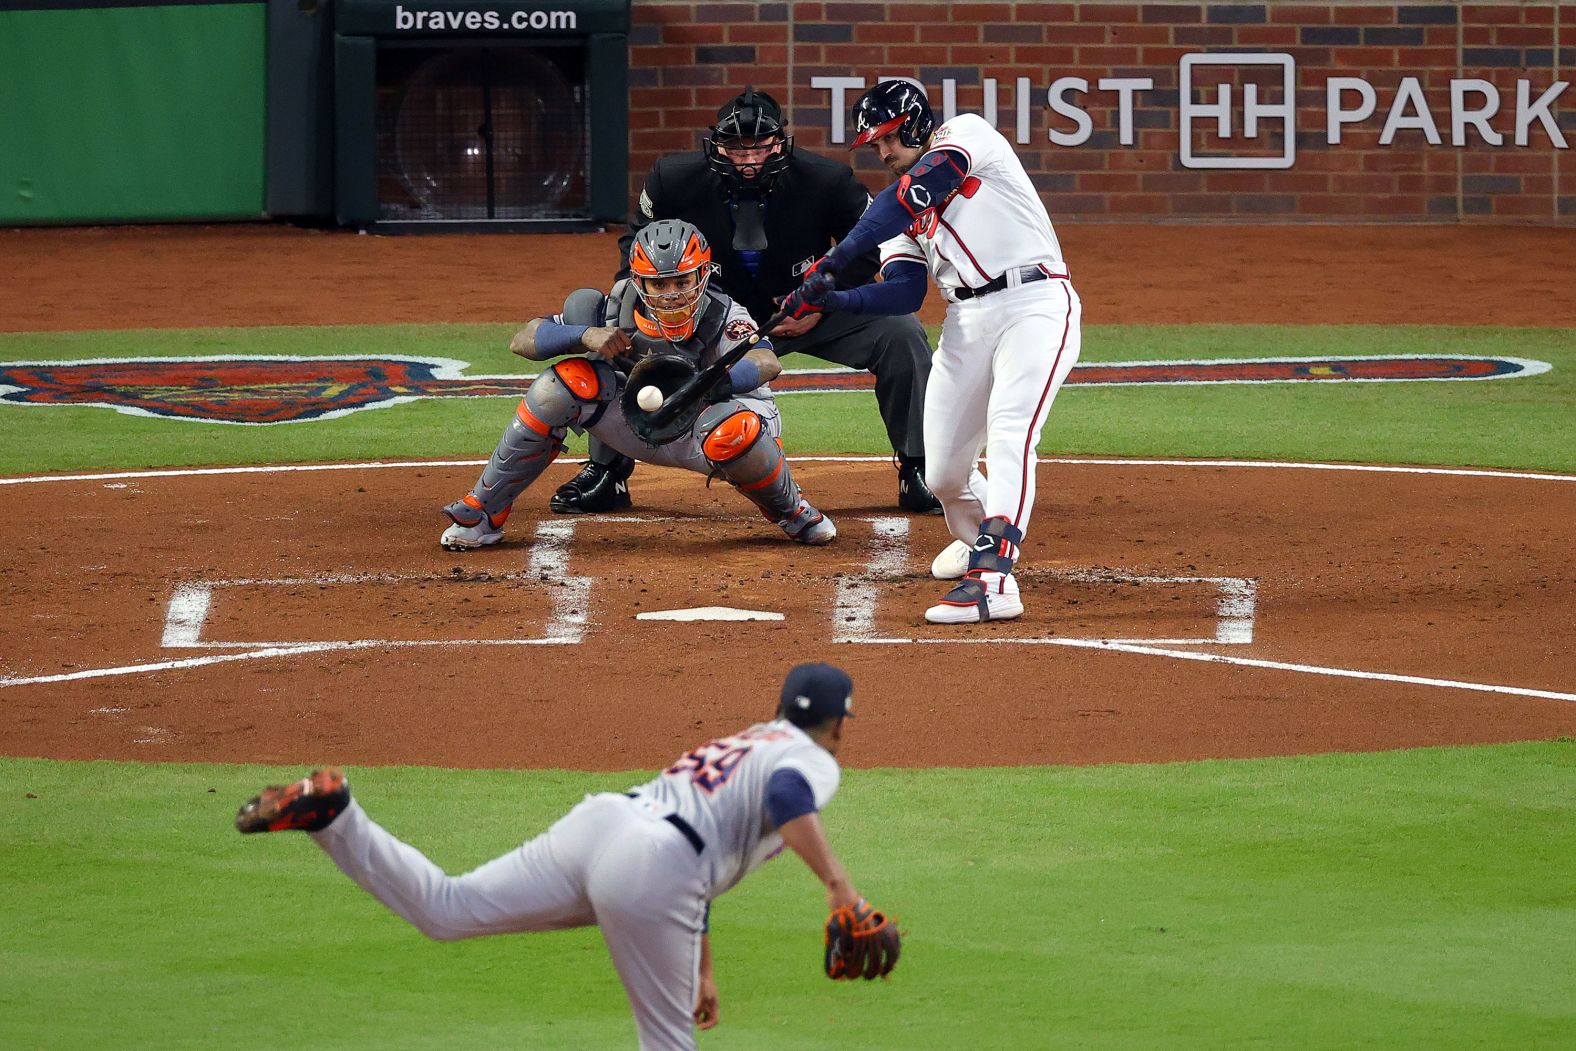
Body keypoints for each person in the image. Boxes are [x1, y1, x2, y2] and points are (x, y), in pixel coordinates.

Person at [236, 662, 890, 1051]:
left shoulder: (749, 739)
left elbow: (705, 850)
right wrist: (839, 886)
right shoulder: (805, 757)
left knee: (447, 907)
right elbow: (783, 798)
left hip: (608, 823)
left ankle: (336, 815)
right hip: (656, 866)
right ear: (837, 723)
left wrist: (701, 968)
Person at [552, 86, 942, 518]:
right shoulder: (672, 178)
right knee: (623, 330)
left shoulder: (828, 180)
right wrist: (648, 308)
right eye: (737, 148)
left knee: (900, 331)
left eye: (760, 145)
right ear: (717, 145)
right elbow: (634, 248)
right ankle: (607, 472)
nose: (750, 158)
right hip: (706, 316)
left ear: (781, 141)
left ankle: (919, 465)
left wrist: (821, 305)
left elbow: (869, 251)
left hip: (801, 309)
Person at [782, 80, 1083, 625]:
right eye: (874, 145)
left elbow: (916, 193)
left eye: (888, 139)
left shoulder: (966, 136)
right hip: (967, 320)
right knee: (943, 474)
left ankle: (994, 581)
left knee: (1012, 430)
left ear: (917, 124)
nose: (883, 152)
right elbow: (904, 290)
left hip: (1035, 303)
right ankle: (976, 541)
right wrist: (835, 294)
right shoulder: (893, 209)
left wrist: (834, 260)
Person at [436, 218, 835, 551]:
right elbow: (522, 340)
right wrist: (584, 335)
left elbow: (767, 361)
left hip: (709, 426)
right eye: (659, 285)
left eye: (681, 282)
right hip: (638, 424)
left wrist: (716, 381)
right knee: (559, 385)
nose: (671, 295)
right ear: (639, 281)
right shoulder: (612, 307)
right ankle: (484, 513)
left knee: (734, 430)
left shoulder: (724, 312)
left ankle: (791, 510)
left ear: (702, 275)